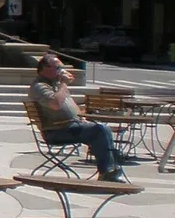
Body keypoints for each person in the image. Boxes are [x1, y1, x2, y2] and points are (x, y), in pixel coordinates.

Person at [30, 52, 126, 181]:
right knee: (100, 130)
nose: (61, 71)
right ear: (45, 68)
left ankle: (110, 168)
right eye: (58, 68)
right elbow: (55, 104)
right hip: (56, 131)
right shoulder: (40, 86)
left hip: (70, 126)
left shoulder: (56, 85)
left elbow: (70, 106)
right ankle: (106, 171)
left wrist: (83, 118)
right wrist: (64, 84)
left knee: (101, 129)